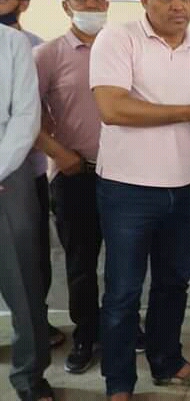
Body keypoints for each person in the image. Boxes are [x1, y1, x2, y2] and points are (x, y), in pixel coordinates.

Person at [89, 0, 190, 399]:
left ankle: (167, 362)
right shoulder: (118, 39)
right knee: (123, 293)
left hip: (185, 188)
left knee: (173, 285)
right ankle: (119, 384)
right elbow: (112, 108)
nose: (177, 5)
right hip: (127, 190)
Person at [34, 0, 112, 374]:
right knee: (81, 262)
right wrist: (58, 153)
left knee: (125, 260)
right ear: (66, 6)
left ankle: (122, 326)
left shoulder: (123, 48)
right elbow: (23, 115)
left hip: (124, 175)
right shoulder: (47, 55)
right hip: (75, 174)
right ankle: (86, 333)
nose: (92, 5)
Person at [0, 0, 65, 349]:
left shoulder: (33, 48)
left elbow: (34, 116)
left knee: (30, 264)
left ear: (22, 4)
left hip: (26, 173)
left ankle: (35, 333)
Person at [0, 24, 54, 401]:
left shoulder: (12, 43)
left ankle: (28, 374)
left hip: (7, 168)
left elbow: (25, 115)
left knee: (23, 282)